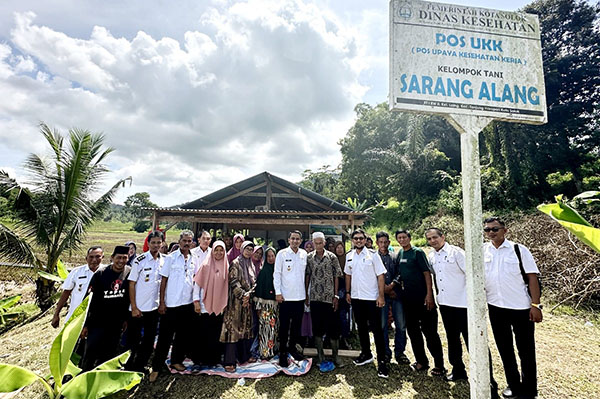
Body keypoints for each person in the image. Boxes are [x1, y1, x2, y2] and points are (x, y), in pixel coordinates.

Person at [425, 227, 499, 396]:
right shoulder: (431, 256)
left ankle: (488, 380)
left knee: (474, 342)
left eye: (435, 237)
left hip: (464, 305)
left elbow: (472, 274)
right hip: (445, 304)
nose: (433, 241)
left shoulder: (456, 253)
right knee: (452, 339)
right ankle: (458, 370)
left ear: (443, 236)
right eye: (429, 239)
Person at [484, 217, 542, 399]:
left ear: (505, 230)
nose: (491, 233)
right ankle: (514, 385)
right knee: (505, 349)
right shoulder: (483, 251)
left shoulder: (518, 250)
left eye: (495, 229)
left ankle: (530, 389)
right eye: (487, 230)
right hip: (495, 307)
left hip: (521, 308)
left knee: (525, 350)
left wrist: (535, 305)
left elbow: (532, 278)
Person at [391, 229, 445, 376]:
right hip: (408, 300)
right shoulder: (400, 254)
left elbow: (427, 274)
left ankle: (439, 365)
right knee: (413, 332)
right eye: (399, 238)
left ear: (409, 238)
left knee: (430, 332)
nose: (402, 240)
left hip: (423, 299)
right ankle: (422, 361)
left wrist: (429, 295)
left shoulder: (418, 252)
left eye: (404, 237)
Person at [150, 230, 196, 382]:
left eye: (189, 241)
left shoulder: (193, 258)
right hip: (171, 305)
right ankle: (156, 367)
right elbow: (163, 281)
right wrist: (162, 302)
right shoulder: (170, 258)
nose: (187, 243)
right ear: (179, 241)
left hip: (187, 303)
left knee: (182, 336)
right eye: (184, 240)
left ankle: (176, 361)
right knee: (164, 337)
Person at [345, 228, 388, 378]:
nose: (358, 240)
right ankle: (366, 353)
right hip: (356, 298)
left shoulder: (373, 255)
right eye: (355, 238)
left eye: (361, 238)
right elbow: (348, 275)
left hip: (372, 298)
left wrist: (381, 296)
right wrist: (348, 292)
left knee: (377, 330)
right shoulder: (349, 256)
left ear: (365, 240)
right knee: (361, 328)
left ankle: (382, 361)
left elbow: (381, 276)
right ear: (352, 240)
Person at [80, 245, 131, 371]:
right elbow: (89, 301)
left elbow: (129, 298)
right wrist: (85, 324)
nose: (121, 261)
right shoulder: (101, 274)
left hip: (116, 324)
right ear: (112, 258)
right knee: (90, 353)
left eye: (124, 258)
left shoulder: (129, 273)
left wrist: (126, 319)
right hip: (97, 322)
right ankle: (83, 378)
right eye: (118, 257)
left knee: (109, 355)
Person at [125, 231, 165, 372]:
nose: (156, 245)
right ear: (148, 244)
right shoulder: (140, 260)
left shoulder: (164, 261)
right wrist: (134, 307)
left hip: (153, 308)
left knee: (148, 341)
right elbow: (131, 284)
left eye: (158, 242)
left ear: (162, 244)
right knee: (133, 341)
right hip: (138, 309)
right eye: (153, 242)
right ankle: (128, 366)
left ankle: (139, 366)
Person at [305, 232, 344, 369]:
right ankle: (320, 356)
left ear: (324, 243)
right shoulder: (309, 257)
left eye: (320, 242)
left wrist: (336, 295)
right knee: (317, 328)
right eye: (316, 243)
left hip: (329, 298)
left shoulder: (332, 257)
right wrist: (306, 294)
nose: (318, 245)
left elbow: (336, 276)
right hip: (315, 297)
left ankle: (336, 356)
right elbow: (308, 276)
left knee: (333, 328)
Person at [220, 241, 257, 372]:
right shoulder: (235, 263)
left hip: (246, 304)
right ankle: (229, 361)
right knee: (233, 331)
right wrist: (243, 296)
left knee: (246, 330)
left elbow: (254, 283)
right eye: (247, 249)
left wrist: (249, 295)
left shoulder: (251, 264)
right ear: (241, 249)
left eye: (251, 249)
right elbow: (233, 281)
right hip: (235, 303)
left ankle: (244, 356)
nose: (249, 251)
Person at [193, 240, 229, 368]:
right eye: (216, 250)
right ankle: (199, 360)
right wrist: (196, 301)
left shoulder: (226, 266)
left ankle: (213, 359)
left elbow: (227, 287)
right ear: (212, 250)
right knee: (203, 332)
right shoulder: (206, 265)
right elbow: (197, 285)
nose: (219, 253)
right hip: (204, 305)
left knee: (215, 333)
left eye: (221, 250)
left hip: (219, 306)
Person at [274, 230, 307, 367]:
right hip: (285, 298)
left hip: (300, 297)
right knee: (284, 327)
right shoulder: (281, 254)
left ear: (301, 241)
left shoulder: (304, 254)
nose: (295, 241)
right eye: (292, 238)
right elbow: (277, 274)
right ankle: (282, 353)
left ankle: (292, 349)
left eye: (297, 239)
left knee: (296, 327)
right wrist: (278, 292)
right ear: (288, 240)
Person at [376, 231, 409, 365]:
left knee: (401, 325)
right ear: (377, 243)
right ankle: (385, 352)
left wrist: (392, 286)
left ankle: (400, 352)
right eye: (381, 242)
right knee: (383, 326)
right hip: (381, 296)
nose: (383, 245)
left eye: (385, 242)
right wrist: (384, 289)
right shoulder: (374, 257)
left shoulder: (395, 257)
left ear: (389, 242)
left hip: (396, 295)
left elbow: (400, 273)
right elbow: (373, 277)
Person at [52, 246, 104, 328]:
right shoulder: (77, 272)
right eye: (91, 257)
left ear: (102, 257)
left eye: (97, 256)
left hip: (98, 319)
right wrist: (56, 314)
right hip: (76, 317)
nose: (94, 260)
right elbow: (66, 293)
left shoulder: (107, 272)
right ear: (86, 258)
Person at [254, 247, 279, 359]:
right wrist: (258, 307)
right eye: (268, 256)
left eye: (272, 256)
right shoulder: (263, 271)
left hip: (277, 306)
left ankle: (274, 351)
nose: (270, 258)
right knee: (266, 330)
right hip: (266, 307)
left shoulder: (278, 270)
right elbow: (259, 291)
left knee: (275, 330)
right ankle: (265, 353)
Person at [334, 240, 352, 349]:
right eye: (338, 248)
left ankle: (344, 338)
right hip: (334, 292)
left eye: (341, 247)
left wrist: (348, 291)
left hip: (346, 291)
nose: (340, 249)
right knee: (334, 317)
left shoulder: (348, 259)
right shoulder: (332, 259)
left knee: (343, 316)